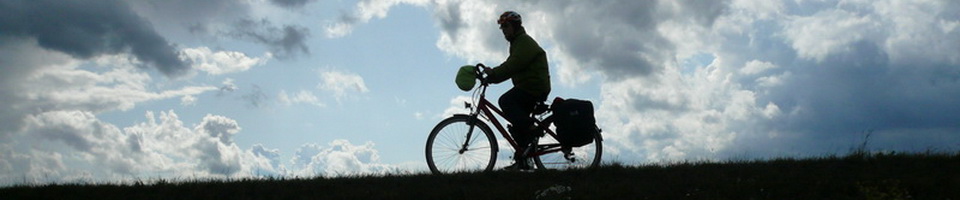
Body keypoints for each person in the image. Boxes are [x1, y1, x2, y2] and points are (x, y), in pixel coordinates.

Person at [482, 11, 550, 170]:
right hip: (528, 86)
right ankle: (523, 160)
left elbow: (513, 65)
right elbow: (511, 64)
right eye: (502, 27)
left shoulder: (523, 42)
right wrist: (493, 76)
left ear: (515, 26)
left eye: (506, 26)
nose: (504, 30)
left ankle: (533, 129)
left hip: (534, 86)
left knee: (505, 101)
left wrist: (494, 74)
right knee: (518, 127)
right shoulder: (517, 42)